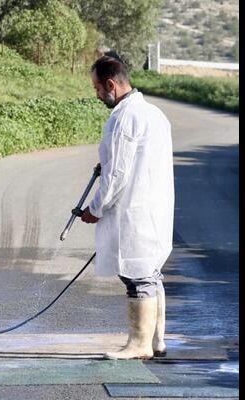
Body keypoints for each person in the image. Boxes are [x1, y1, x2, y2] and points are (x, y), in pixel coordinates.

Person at [80, 56, 174, 360]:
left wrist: (95, 208)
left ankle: (139, 343)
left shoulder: (124, 118)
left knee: (138, 276)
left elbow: (117, 175)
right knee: (150, 274)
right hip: (152, 208)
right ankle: (156, 340)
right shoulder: (153, 113)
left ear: (111, 84)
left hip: (134, 211)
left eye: (97, 88)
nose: (96, 94)